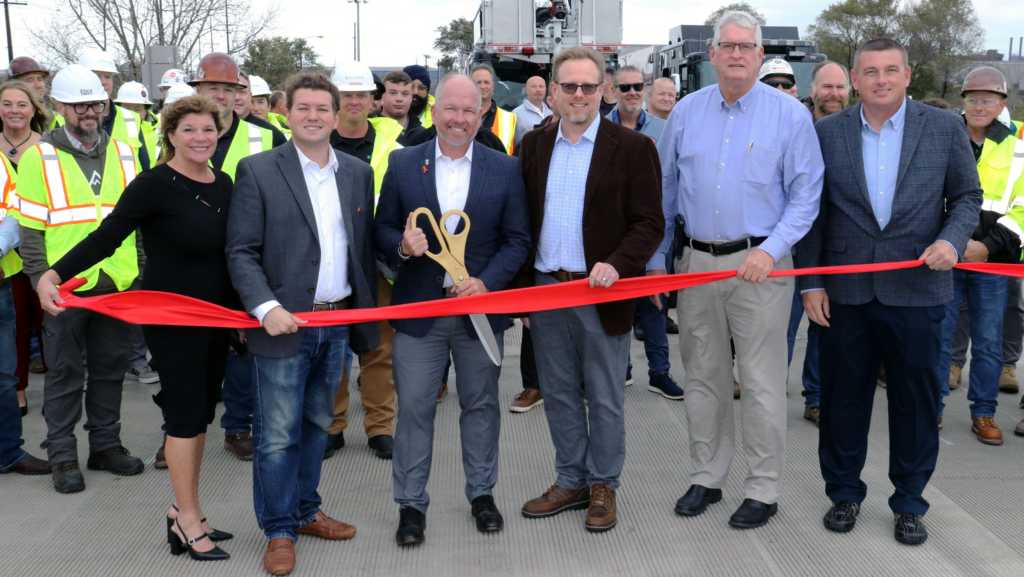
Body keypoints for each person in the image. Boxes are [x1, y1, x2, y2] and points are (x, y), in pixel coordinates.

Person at [35, 95, 239, 561]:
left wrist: (241, 318)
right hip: (172, 319)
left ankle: (185, 512)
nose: (200, 138)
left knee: (201, 413)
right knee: (186, 418)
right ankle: (187, 519)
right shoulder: (153, 184)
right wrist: (53, 274)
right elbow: (107, 237)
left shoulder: (224, 183)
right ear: (170, 134)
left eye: (208, 129)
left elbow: (232, 255)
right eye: (189, 130)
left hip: (215, 321)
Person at [797, 38, 982, 545]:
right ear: (854, 80)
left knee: (916, 403)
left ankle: (910, 502)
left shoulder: (943, 126)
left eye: (891, 71)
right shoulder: (827, 132)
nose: (881, 79)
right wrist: (811, 282)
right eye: (871, 71)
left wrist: (952, 238)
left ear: (906, 75)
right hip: (845, 294)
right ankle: (844, 493)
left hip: (919, 291)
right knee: (842, 402)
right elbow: (814, 213)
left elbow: (968, 195)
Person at [652, 11, 824, 530]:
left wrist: (771, 250)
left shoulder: (788, 115)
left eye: (745, 46)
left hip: (762, 267)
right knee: (702, 378)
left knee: (762, 382)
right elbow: (663, 192)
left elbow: (806, 195)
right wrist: (660, 262)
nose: (735, 54)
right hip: (697, 266)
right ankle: (706, 477)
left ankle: (763, 488)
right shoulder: (685, 113)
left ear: (758, 53)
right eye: (726, 45)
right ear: (712, 54)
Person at [226, 72, 379, 577]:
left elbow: (361, 245)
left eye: (322, 109)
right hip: (282, 326)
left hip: (335, 324)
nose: (313, 116)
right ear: (285, 113)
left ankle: (306, 510)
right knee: (275, 435)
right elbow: (241, 251)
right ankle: (278, 530)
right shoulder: (258, 170)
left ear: (337, 117)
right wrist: (265, 307)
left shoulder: (356, 173)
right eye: (303, 108)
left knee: (317, 426)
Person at [374, 72, 531, 546]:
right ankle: (410, 506)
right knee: (415, 410)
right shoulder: (403, 164)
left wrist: (487, 282)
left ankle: (482, 495)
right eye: (451, 109)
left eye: (469, 110)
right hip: (419, 314)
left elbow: (518, 239)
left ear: (481, 114)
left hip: (478, 315)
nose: (459, 118)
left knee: (481, 406)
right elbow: (380, 231)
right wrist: (402, 245)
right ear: (434, 110)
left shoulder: (503, 168)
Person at [517, 45, 664, 533]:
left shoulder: (635, 149)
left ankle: (604, 483)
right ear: (553, 91)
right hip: (546, 291)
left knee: (603, 394)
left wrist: (618, 264)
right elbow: (522, 220)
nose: (578, 94)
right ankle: (571, 479)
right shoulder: (534, 146)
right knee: (557, 392)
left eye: (588, 86)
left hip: (601, 292)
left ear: (602, 90)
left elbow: (649, 224)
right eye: (569, 86)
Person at [12, 64, 145, 494]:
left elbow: (137, 223)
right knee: (65, 374)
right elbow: (30, 230)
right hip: (65, 288)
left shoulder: (125, 150)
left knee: (109, 369)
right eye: (79, 105)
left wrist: (139, 271)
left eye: (96, 104)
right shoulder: (40, 156)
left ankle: (105, 446)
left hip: (119, 282)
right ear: (57, 107)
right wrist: (39, 282)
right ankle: (63, 456)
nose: (90, 112)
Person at [186, 53, 275, 464]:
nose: (221, 95)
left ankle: (237, 426)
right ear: (198, 90)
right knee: (189, 354)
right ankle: (181, 432)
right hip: (192, 261)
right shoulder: (177, 133)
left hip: (245, 258)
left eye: (229, 88)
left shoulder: (267, 136)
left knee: (244, 346)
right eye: (212, 88)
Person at [933, 66, 1024, 445]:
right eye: (973, 99)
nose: (979, 106)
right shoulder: (944, 135)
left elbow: (1021, 209)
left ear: (1002, 103)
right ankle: (932, 409)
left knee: (988, 341)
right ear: (963, 102)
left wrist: (987, 247)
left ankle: (983, 413)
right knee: (938, 337)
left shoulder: (1019, 140)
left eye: (988, 99)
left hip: (993, 261)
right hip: (948, 258)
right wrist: (952, 244)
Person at [325, 61, 404, 461]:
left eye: (360, 94)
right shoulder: (314, 142)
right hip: (331, 263)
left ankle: (380, 428)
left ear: (373, 101)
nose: (354, 102)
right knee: (333, 350)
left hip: (379, 265)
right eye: (346, 94)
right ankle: (332, 425)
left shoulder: (395, 145)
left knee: (379, 350)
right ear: (335, 100)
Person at [604, 65, 681, 400]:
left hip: (651, 231)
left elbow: (673, 184)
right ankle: (620, 372)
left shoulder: (666, 129)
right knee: (615, 306)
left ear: (646, 89)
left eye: (637, 86)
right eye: (625, 88)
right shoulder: (599, 128)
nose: (632, 92)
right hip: (610, 237)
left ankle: (660, 373)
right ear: (612, 90)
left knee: (655, 304)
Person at [787, 60, 852, 427]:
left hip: (831, 251)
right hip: (788, 248)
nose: (833, 94)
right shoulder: (795, 126)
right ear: (812, 90)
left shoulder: (852, 129)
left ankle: (816, 398)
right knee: (782, 329)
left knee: (822, 329)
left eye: (839, 87)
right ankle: (769, 395)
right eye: (826, 87)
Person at [0, 84, 50, 478]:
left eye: (22, 104)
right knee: (15, 340)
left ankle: (56, 397)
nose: (15, 110)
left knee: (48, 329)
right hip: (8, 266)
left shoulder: (47, 146)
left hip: (36, 254)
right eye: (6, 103)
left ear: (34, 109)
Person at [77, 48, 152, 171]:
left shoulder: (131, 119)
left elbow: (144, 165)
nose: (103, 82)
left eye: (107, 76)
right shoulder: (64, 119)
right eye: (96, 76)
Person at [471, 64, 526, 155]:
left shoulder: (510, 118)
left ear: (493, 86)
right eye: (478, 82)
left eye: (486, 82)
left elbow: (519, 153)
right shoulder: (460, 116)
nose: (482, 86)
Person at [234, 72, 288, 147]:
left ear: (269, 106)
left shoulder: (277, 133)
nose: (256, 108)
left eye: (261, 102)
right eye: (251, 102)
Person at [114, 81, 160, 165]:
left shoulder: (159, 133)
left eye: (137, 109)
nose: (132, 113)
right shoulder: (110, 130)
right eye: (126, 108)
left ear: (146, 110)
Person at [379, 71, 426, 145]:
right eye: (393, 93)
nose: (399, 99)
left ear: (411, 97)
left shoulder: (423, 136)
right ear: (381, 95)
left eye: (405, 94)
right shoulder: (369, 130)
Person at [6, 57, 54, 129]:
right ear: (14, 85)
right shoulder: (7, 120)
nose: (38, 85)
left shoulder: (60, 117)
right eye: (29, 80)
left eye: (39, 79)